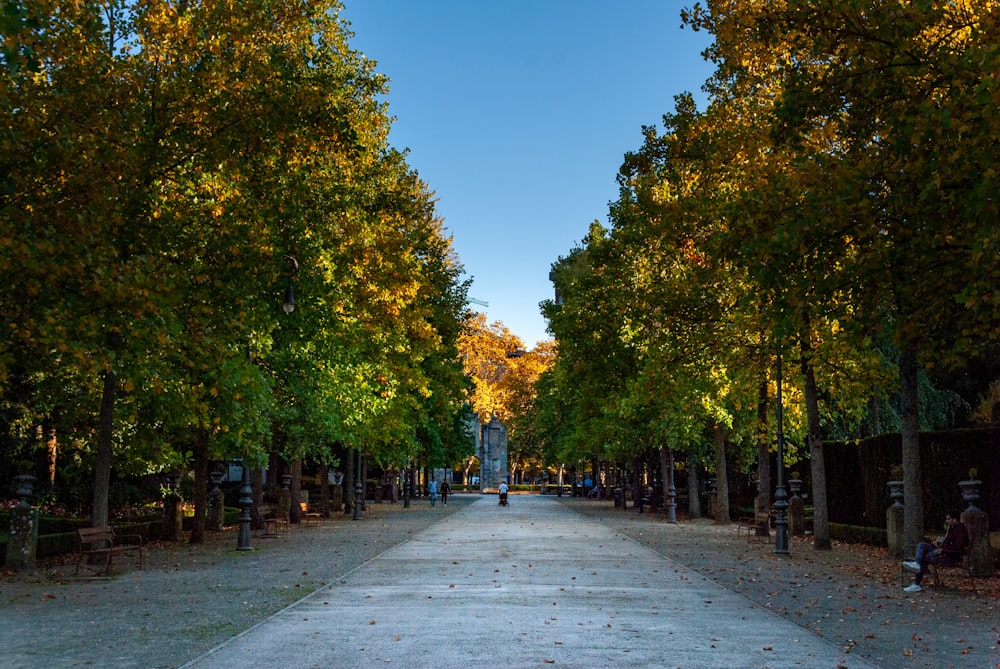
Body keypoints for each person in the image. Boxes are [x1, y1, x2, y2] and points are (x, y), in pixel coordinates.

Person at [903, 511, 969, 593]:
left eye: (948, 519)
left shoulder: (960, 531)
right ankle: (917, 565)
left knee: (924, 556)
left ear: (955, 520)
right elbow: (946, 542)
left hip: (949, 556)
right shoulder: (951, 528)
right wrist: (936, 544)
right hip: (942, 551)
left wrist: (943, 550)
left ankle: (917, 581)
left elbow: (959, 547)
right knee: (922, 545)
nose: (946, 521)